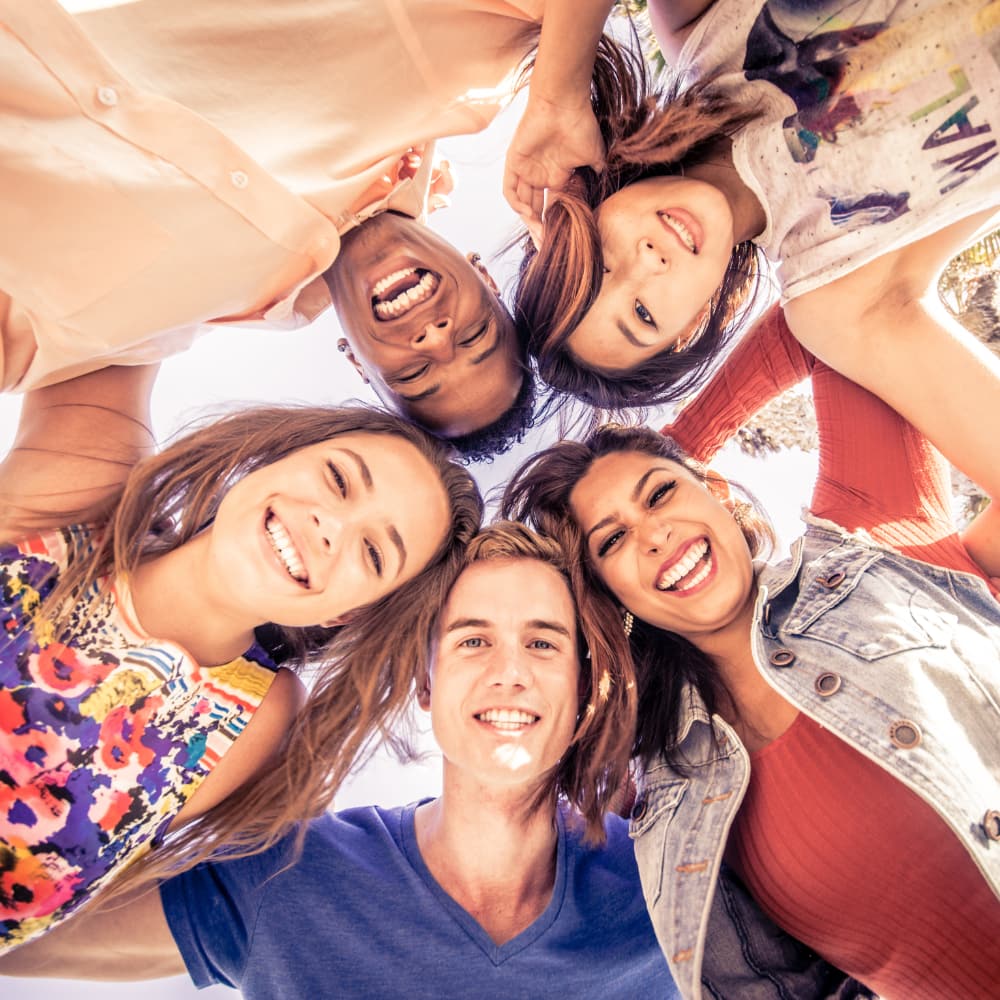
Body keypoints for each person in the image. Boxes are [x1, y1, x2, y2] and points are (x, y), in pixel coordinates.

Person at [500, 317, 1000, 999]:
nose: (654, 535)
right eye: (612, 542)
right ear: (606, 596)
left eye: (661, 495)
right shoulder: (671, 804)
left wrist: (674, 447)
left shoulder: (868, 535)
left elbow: (821, 315)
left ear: (721, 491)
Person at [0, 523, 682, 998]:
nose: (509, 673)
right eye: (473, 642)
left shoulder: (676, 882)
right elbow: (27, 929)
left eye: (543, 644)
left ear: (584, 684)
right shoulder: (290, 875)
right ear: (424, 682)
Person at [0, 361, 483, 953]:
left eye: (375, 553)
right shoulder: (86, 494)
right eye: (338, 479)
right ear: (272, 457)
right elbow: (113, 298)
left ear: (348, 613)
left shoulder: (260, 723)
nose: (331, 527)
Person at [0, 0, 546, 458]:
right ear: (487, 279)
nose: (435, 338)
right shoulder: (459, 69)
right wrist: (558, 98)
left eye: (415, 375)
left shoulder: (168, 316)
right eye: (474, 337)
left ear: (357, 363)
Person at [504, 0, 1000, 498]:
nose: (650, 260)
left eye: (606, 259)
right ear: (691, 327)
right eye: (642, 312)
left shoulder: (700, 32)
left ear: (593, 207)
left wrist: (556, 98)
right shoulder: (832, 295)